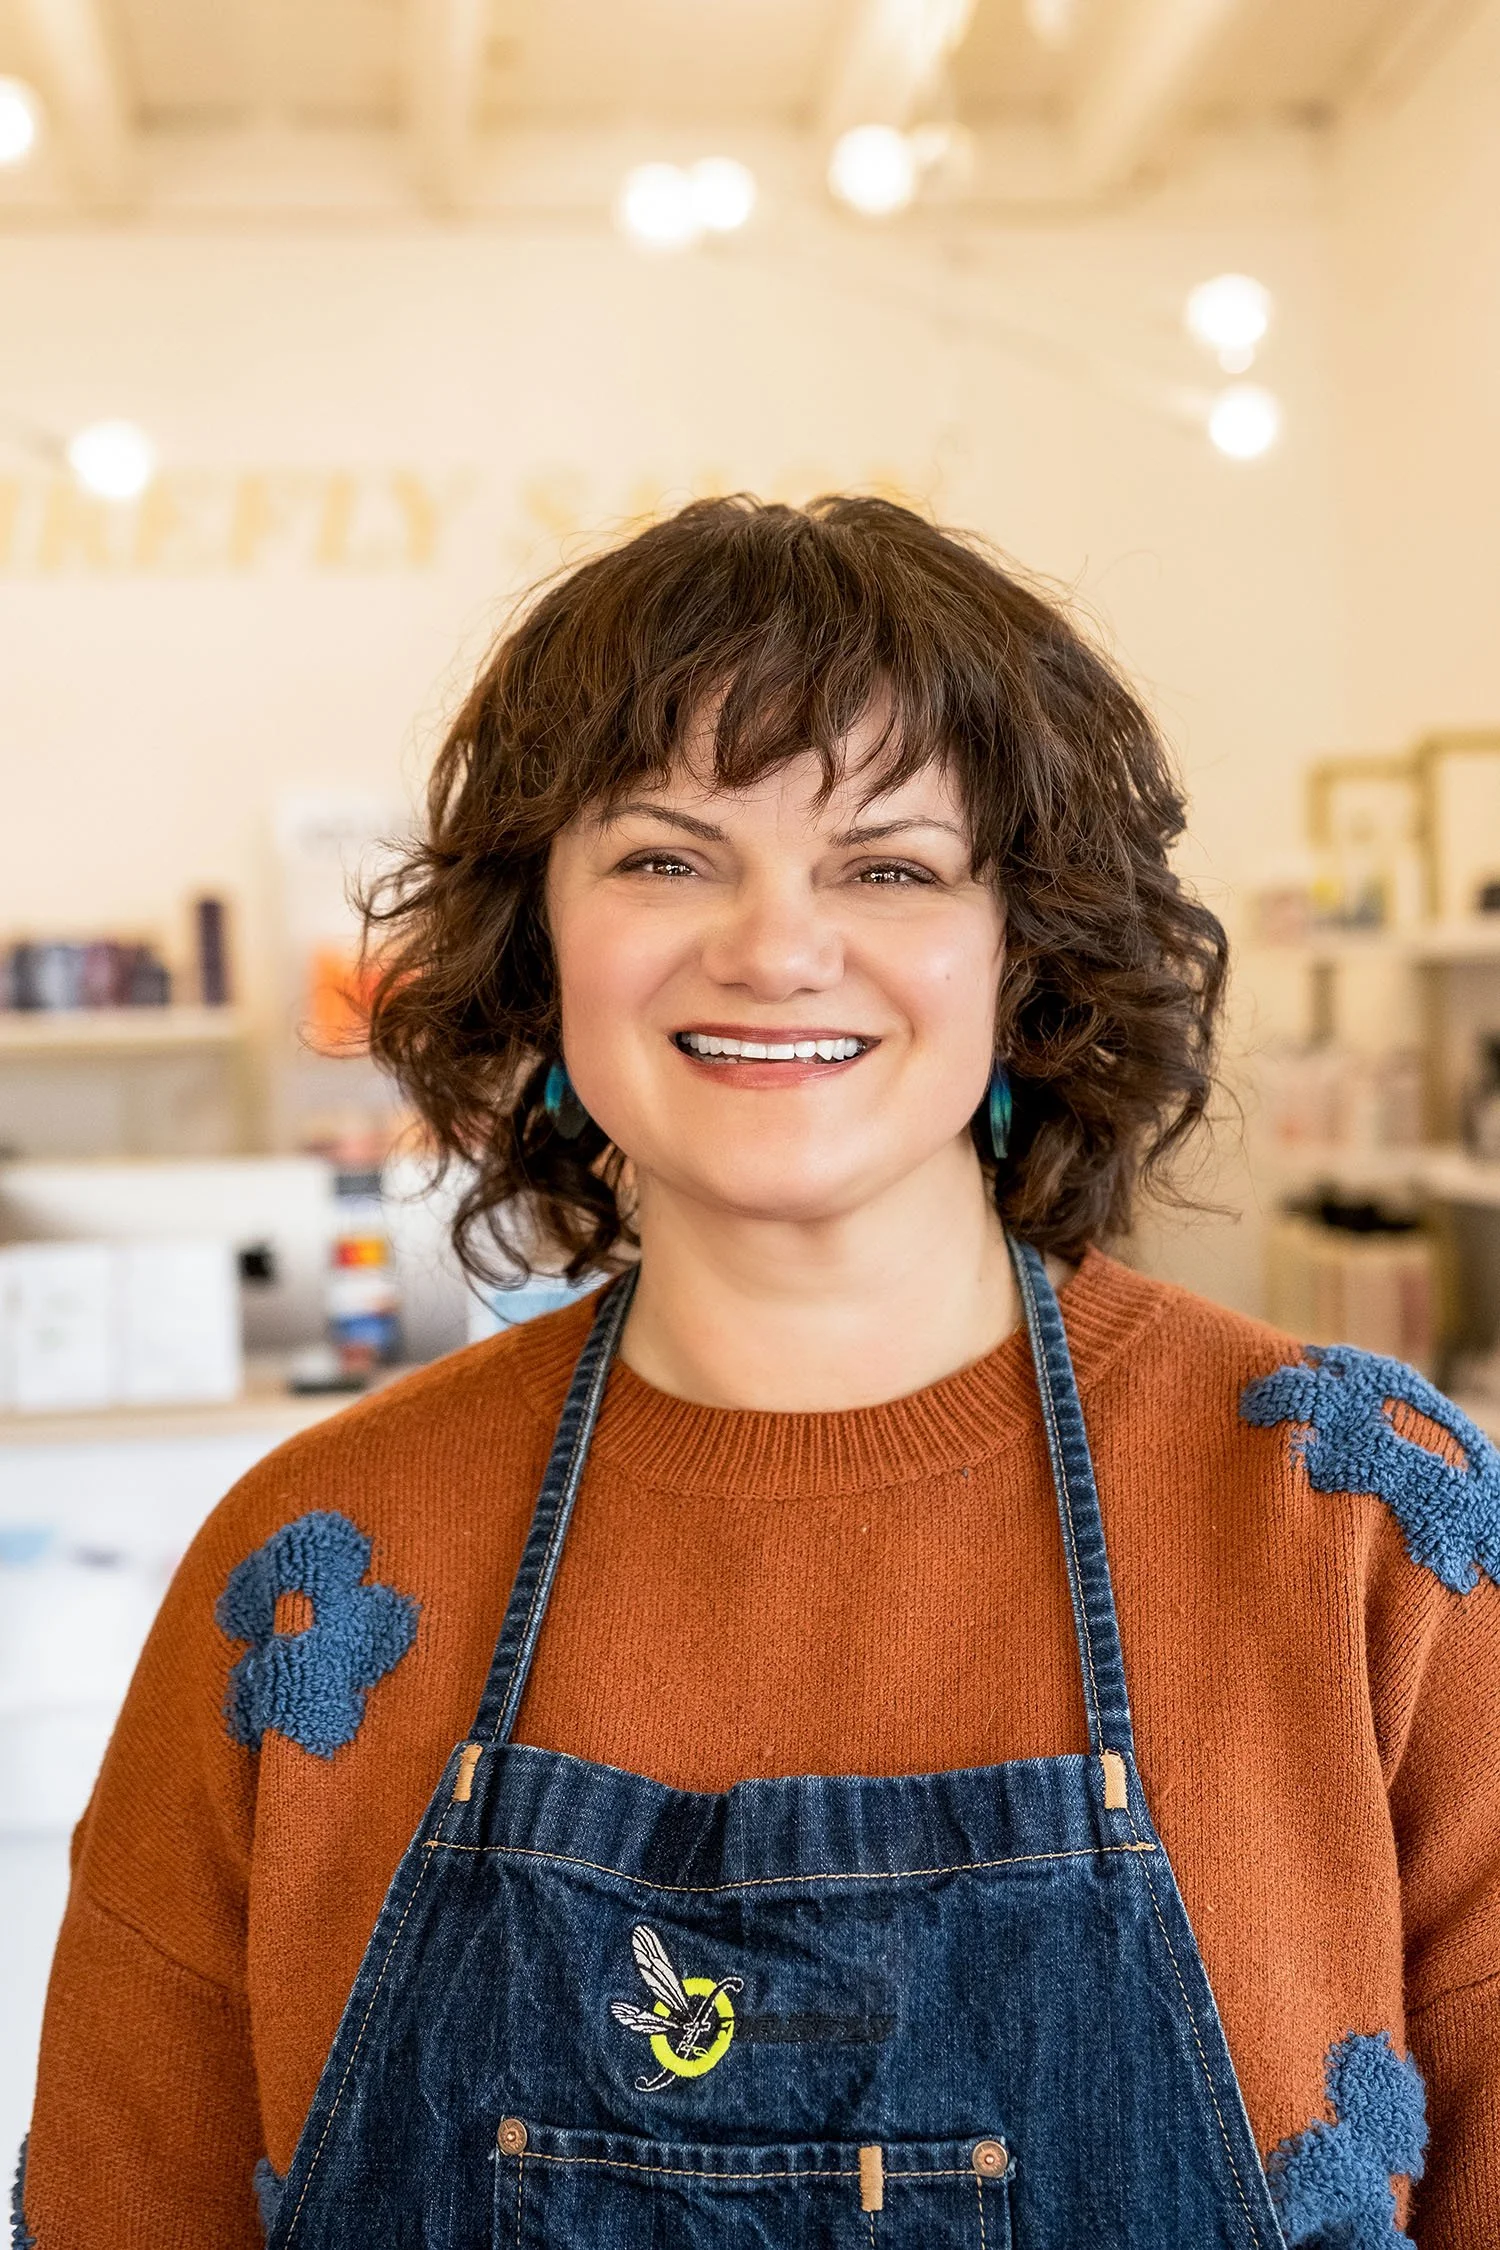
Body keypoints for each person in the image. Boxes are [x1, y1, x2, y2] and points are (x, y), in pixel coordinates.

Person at [20, 495, 1500, 2249]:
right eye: (664, 856)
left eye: (889, 864)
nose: (777, 944)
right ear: (537, 939)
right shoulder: (315, 1565)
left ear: (1025, 948)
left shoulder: (1354, 1521)